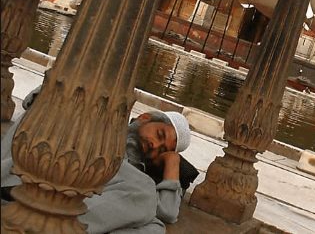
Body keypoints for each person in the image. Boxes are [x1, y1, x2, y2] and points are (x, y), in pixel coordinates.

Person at [2, 87, 197, 234]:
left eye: (162, 150)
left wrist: (172, 164)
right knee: (145, 192)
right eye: (159, 134)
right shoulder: (105, 121)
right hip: (40, 173)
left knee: (155, 228)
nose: (155, 145)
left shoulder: (137, 169)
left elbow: (168, 213)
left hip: (80, 198)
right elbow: (39, 99)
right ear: (144, 117)